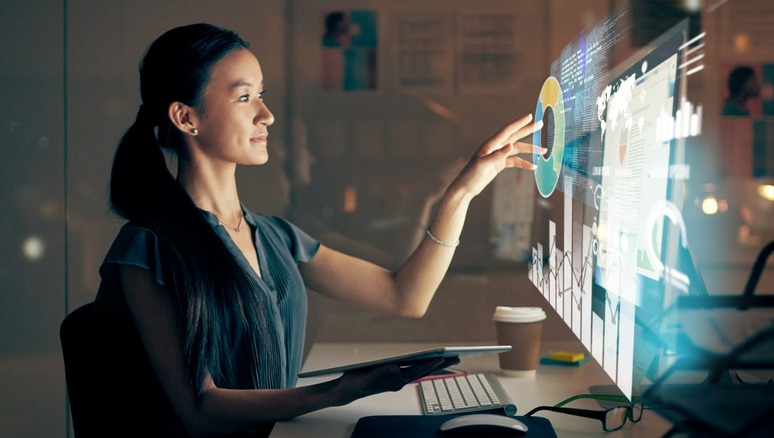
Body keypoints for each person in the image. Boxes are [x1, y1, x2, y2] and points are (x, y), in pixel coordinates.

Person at [95, 23, 540, 437]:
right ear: (186, 118)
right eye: (245, 97)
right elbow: (199, 409)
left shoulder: (275, 236)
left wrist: (461, 194)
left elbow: (405, 296)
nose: (266, 115)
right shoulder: (147, 249)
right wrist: (339, 391)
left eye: (262, 95)